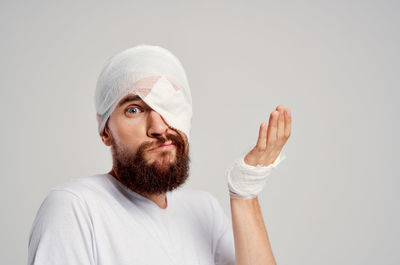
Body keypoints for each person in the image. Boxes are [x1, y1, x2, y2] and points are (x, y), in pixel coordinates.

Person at [28, 44, 291, 265]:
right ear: (105, 130)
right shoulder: (76, 207)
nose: (159, 127)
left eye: (168, 105)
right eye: (134, 109)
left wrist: (245, 192)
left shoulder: (203, 210)